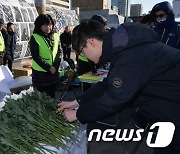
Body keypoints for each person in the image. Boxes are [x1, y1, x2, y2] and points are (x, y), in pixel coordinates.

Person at [58, 20, 180, 154]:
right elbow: (107, 85)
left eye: (81, 52)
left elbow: (115, 99)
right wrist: (76, 102)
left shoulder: (131, 54)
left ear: (91, 43)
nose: (84, 57)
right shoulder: (122, 49)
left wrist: (78, 114)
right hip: (165, 113)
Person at [29, 14, 61, 99]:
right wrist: (48, 67)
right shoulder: (35, 37)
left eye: (50, 25)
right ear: (39, 26)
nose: (48, 28)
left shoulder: (56, 36)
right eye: (45, 25)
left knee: (52, 97)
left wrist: (55, 66)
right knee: (42, 100)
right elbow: (35, 57)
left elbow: (59, 52)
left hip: (53, 73)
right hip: (40, 74)